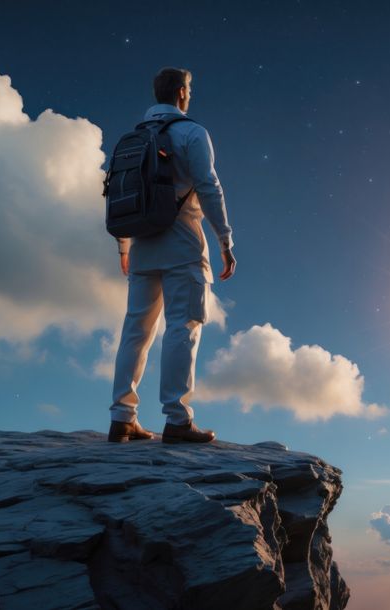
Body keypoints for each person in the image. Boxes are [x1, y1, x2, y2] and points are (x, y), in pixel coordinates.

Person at [108, 67, 236, 444]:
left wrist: (124, 246)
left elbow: (122, 193)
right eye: (190, 90)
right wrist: (225, 241)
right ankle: (177, 420)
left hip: (143, 243)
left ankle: (122, 418)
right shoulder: (192, 132)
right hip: (182, 244)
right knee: (183, 326)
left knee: (135, 331)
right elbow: (209, 187)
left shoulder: (132, 136)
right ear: (182, 92)